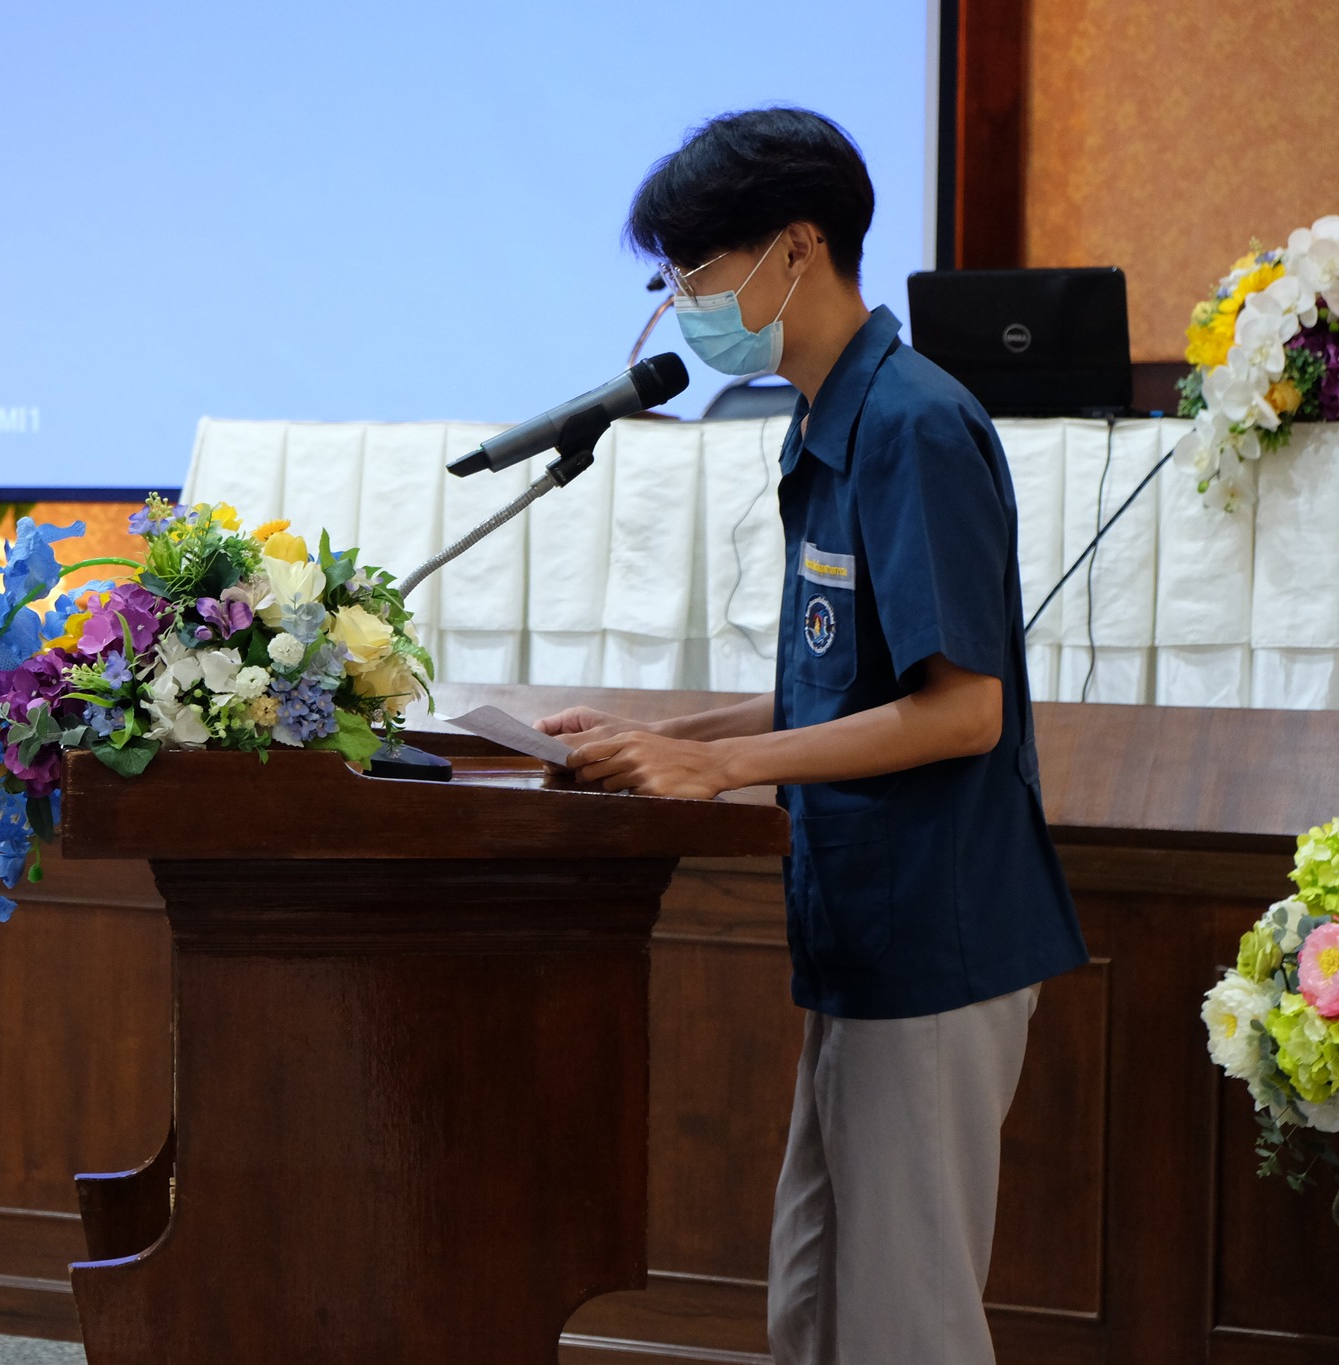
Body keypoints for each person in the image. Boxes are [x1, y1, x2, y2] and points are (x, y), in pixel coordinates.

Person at [537, 107, 1088, 1365]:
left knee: (904, 1323)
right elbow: (837, 691)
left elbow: (963, 710)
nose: (679, 303)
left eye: (693, 270)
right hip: (859, 924)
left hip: (936, 930)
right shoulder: (822, 420)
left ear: (796, 247)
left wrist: (717, 766)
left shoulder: (911, 423)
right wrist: (660, 732)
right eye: (667, 276)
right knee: (815, 1307)